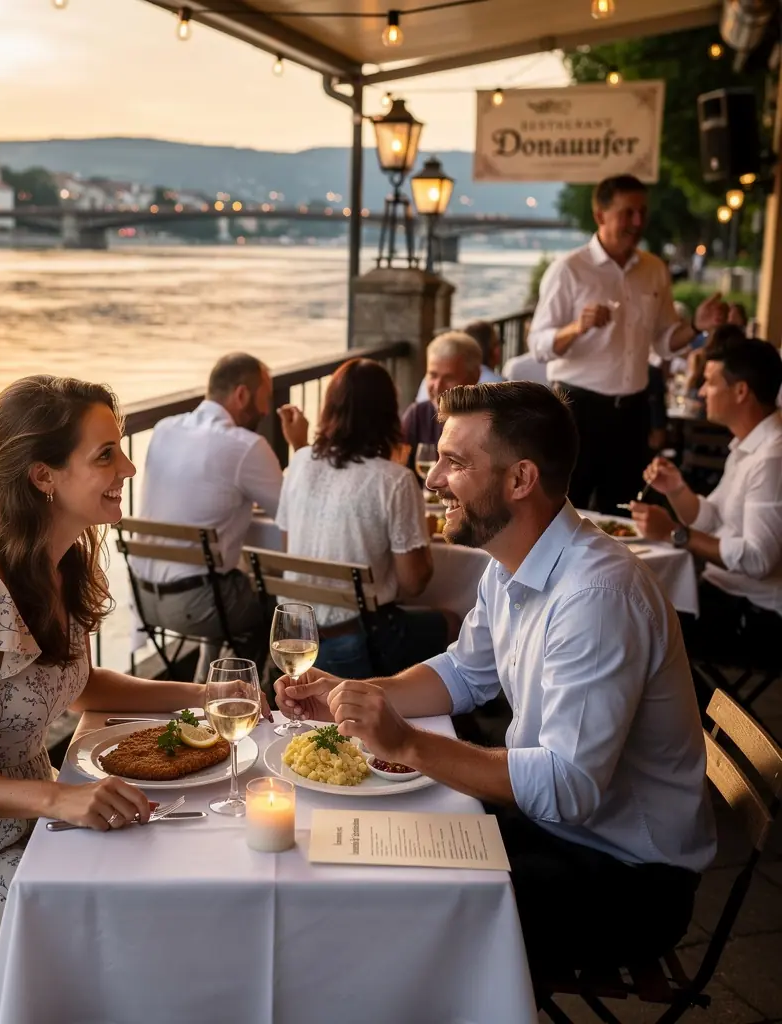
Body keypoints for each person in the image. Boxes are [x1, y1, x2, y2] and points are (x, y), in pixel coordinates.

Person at [275, 381, 715, 975]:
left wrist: (405, 742)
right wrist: (353, 694)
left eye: (454, 463)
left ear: (520, 479)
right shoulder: (510, 564)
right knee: (356, 851)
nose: (432, 480)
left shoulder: (596, 597)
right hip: (553, 831)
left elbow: (567, 787)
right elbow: (462, 672)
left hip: (627, 877)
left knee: (385, 910)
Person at [0, 375, 231, 1022]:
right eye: (106, 455)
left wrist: (208, 695)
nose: (128, 468)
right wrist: (61, 798)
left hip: (27, 818)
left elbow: (81, 685)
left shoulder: (58, 562)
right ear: (43, 476)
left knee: (167, 872)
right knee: (126, 919)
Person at [529, 174, 726, 514]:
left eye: (642, 212)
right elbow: (538, 344)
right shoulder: (569, 269)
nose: (637, 222)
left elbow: (664, 342)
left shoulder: (654, 269)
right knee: (564, 512)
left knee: (625, 513)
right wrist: (577, 327)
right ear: (600, 215)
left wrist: (696, 326)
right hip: (577, 409)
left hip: (633, 412)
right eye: (628, 213)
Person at [131, 352, 308, 675]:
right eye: (265, 398)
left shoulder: (164, 429)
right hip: (199, 604)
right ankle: (242, 688)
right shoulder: (246, 445)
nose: (266, 410)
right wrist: (300, 447)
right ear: (242, 395)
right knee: (278, 610)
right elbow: (296, 514)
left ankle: (206, 680)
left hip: (144, 598)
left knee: (231, 579)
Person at [276, 358, 454, 679]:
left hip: (295, 636)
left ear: (328, 409)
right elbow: (413, 584)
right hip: (360, 641)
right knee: (453, 623)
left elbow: (291, 547)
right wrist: (421, 538)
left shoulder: (299, 461)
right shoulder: (394, 480)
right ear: (388, 414)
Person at [631, 336, 782, 685]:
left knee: (634, 627)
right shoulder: (749, 445)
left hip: (756, 616)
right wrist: (677, 489)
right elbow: (713, 519)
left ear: (741, 391)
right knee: (630, 606)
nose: (701, 392)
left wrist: (675, 534)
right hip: (724, 595)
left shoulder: (772, 458)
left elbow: (759, 559)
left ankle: (695, 716)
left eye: (710, 382)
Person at [402, 331, 481, 472]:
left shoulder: (488, 422)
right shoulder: (417, 415)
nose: (437, 386)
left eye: (449, 378)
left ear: (474, 377)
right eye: (432, 375)